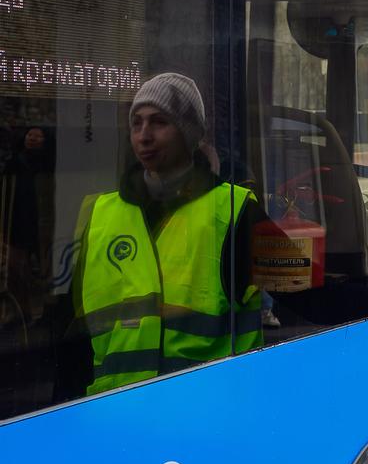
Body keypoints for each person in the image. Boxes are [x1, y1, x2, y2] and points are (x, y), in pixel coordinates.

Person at [68, 73, 262, 395]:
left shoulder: (234, 209)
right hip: (115, 413)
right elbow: (71, 333)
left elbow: (307, 293)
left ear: (189, 134)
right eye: (136, 123)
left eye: (159, 122)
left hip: (207, 407)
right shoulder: (101, 213)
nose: (144, 136)